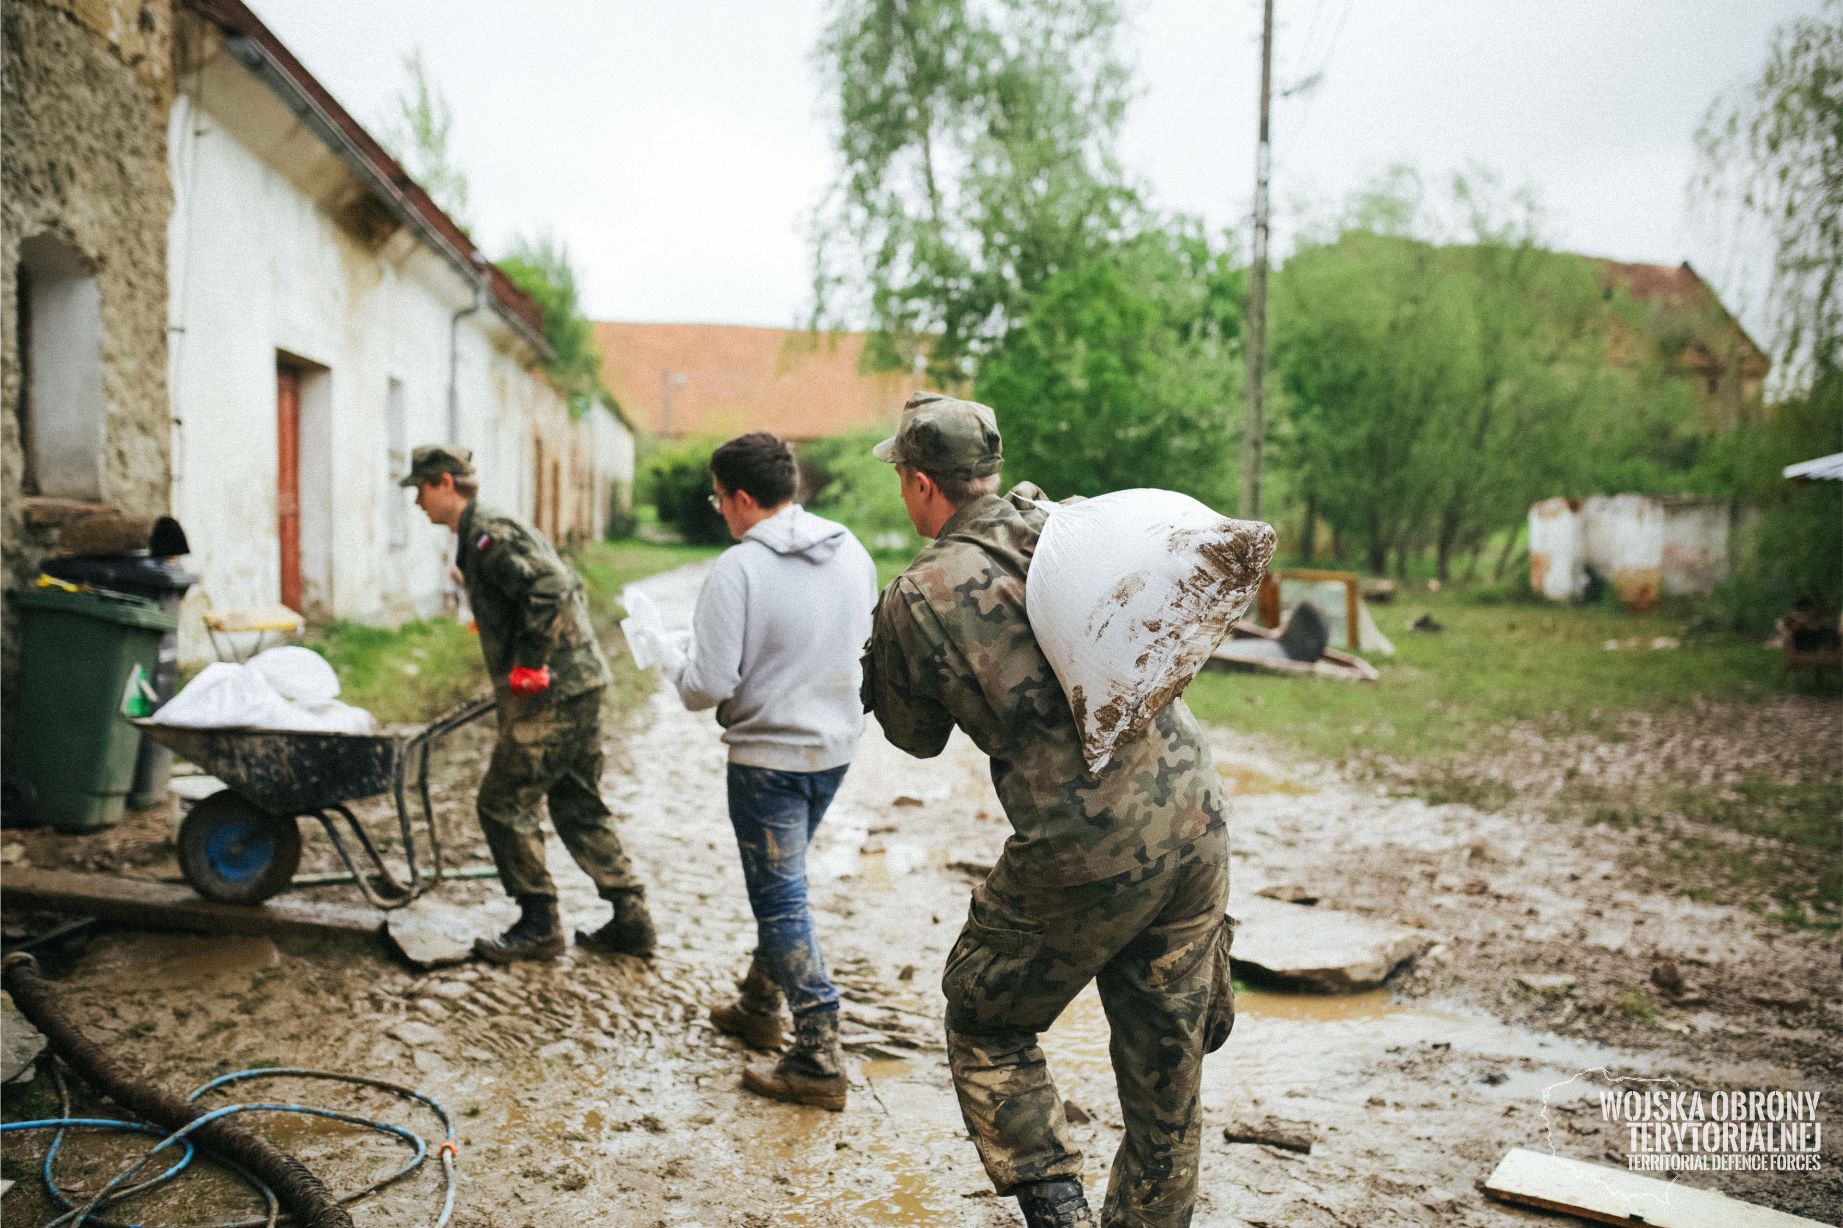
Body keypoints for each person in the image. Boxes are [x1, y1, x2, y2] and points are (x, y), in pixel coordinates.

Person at [861, 394, 1232, 1228]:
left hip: (1086, 840)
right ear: (990, 469)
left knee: (985, 1014)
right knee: (1166, 1079)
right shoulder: (1067, 531)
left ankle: (1052, 1203)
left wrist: (882, 657)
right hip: (1195, 810)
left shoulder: (920, 593)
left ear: (921, 484)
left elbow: (913, 738)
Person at [636, 432, 876, 1111]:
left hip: (767, 761)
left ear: (742, 497)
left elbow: (705, 685)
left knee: (781, 901)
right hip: (832, 749)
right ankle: (756, 1003)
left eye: (718, 500)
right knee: (788, 885)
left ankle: (818, 1053)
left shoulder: (737, 570)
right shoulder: (850, 551)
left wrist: (665, 656)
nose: (720, 512)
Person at [402, 445, 657, 963]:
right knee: (577, 801)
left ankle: (539, 922)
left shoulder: (485, 530)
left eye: (421, 490)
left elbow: (551, 584)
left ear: (446, 483)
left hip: (553, 690)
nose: (417, 502)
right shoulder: (481, 532)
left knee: (502, 801)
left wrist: (531, 661)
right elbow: (531, 587)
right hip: (578, 682)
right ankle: (631, 917)